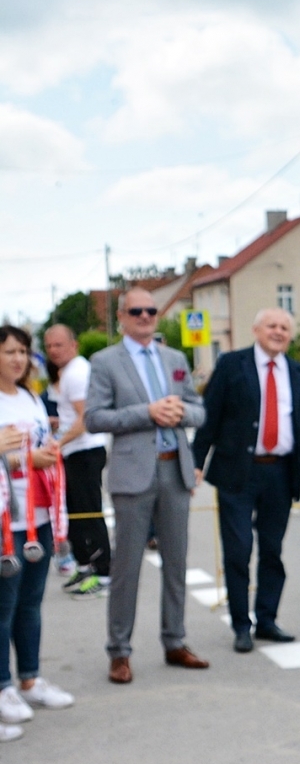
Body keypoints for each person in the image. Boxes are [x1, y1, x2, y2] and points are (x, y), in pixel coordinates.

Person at [86, 288, 209, 684]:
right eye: (136, 310)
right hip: (133, 473)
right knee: (127, 566)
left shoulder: (174, 358)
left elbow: (199, 411)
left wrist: (181, 412)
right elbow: (94, 418)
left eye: (151, 310)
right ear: (121, 316)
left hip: (174, 469)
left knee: (176, 562)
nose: (145, 316)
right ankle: (119, 651)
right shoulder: (105, 361)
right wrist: (148, 412)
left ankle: (175, 641)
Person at [191, 309, 300, 653]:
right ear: (256, 330)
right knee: (238, 550)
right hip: (238, 472)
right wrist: (196, 462)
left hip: (280, 473)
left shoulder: (297, 372)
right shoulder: (233, 365)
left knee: (272, 551)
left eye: (285, 327)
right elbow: (209, 416)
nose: (278, 332)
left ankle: (266, 619)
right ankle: (240, 625)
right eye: (272, 326)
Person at [0, 326, 75, 740]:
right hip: (5, 521)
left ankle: (29, 679)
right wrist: (23, 459)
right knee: (4, 607)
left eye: (23, 352)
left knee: (30, 603)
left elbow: (37, 448)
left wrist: (45, 456)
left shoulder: (30, 396)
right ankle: (4, 686)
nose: (18, 359)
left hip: (39, 514)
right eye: (9, 351)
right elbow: (13, 456)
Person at [43, 324, 112, 598]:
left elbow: (85, 418)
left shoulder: (77, 373)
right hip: (74, 451)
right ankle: (85, 566)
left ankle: (103, 573)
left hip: (85, 451)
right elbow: (72, 415)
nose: (53, 350)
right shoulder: (68, 371)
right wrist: (55, 424)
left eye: (59, 345)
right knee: (74, 512)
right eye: (49, 346)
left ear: (74, 345)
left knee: (89, 512)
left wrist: (57, 442)